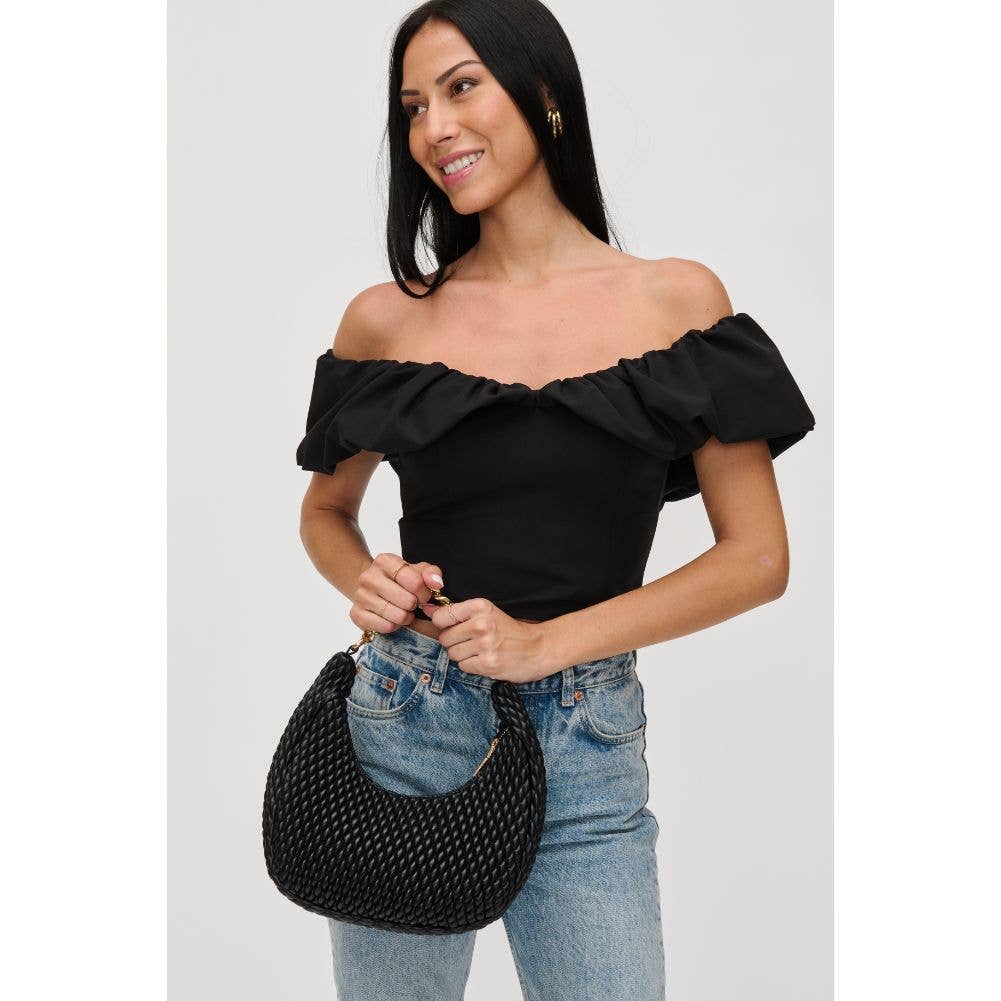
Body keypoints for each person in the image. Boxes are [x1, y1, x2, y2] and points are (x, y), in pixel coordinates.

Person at [295, 2, 816, 998]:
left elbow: (756, 558)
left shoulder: (676, 302)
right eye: (413, 106)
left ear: (543, 93)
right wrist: (368, 579)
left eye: (461, 87)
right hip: (408, 717)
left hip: (587, 733)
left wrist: (546, 644)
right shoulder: (386, 319)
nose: (434, 127)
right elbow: (326, 513)